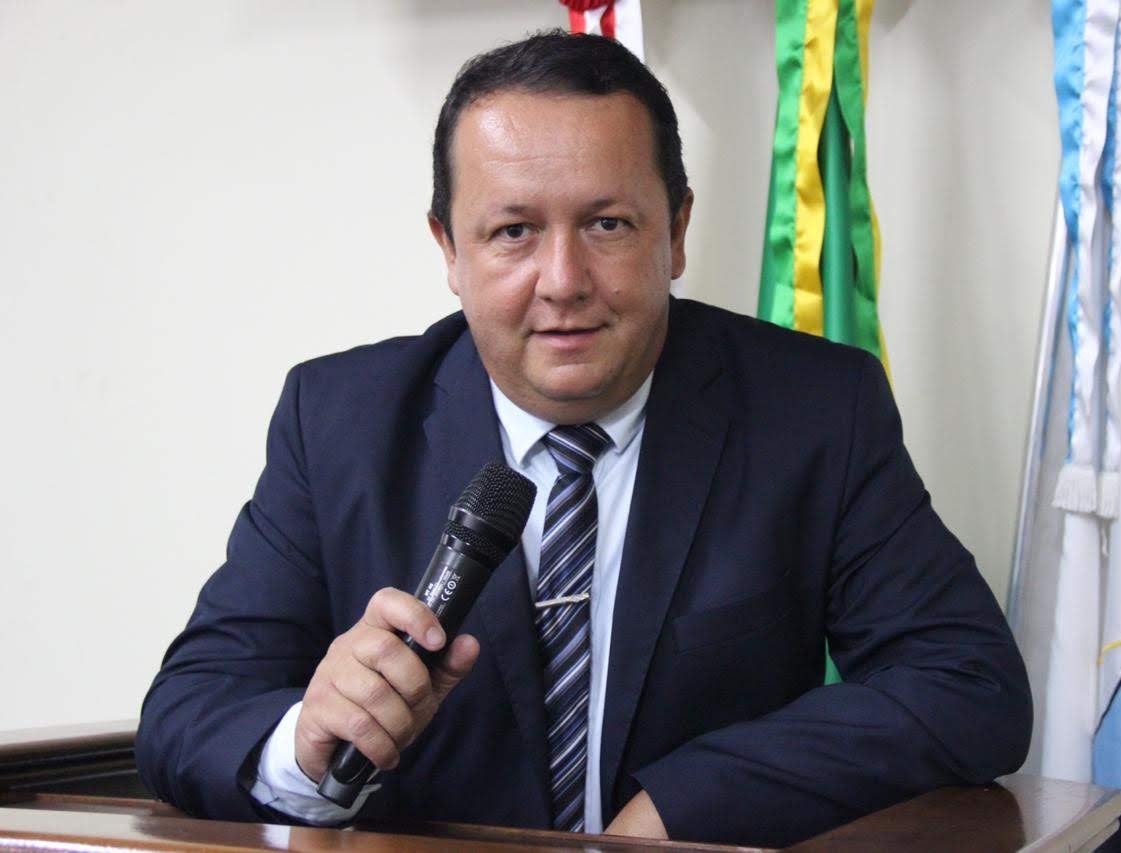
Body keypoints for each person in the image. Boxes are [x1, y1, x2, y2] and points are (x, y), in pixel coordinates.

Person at [136, 31, 1032, 847]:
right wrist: (305, 739)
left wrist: (685, 804)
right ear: (448, 249)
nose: (563, 281)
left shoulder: (814, 409)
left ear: (676, 231)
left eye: (607, 224)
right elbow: (187, 712)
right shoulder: (338, 421)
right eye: (513, 231)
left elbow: (969, 683)